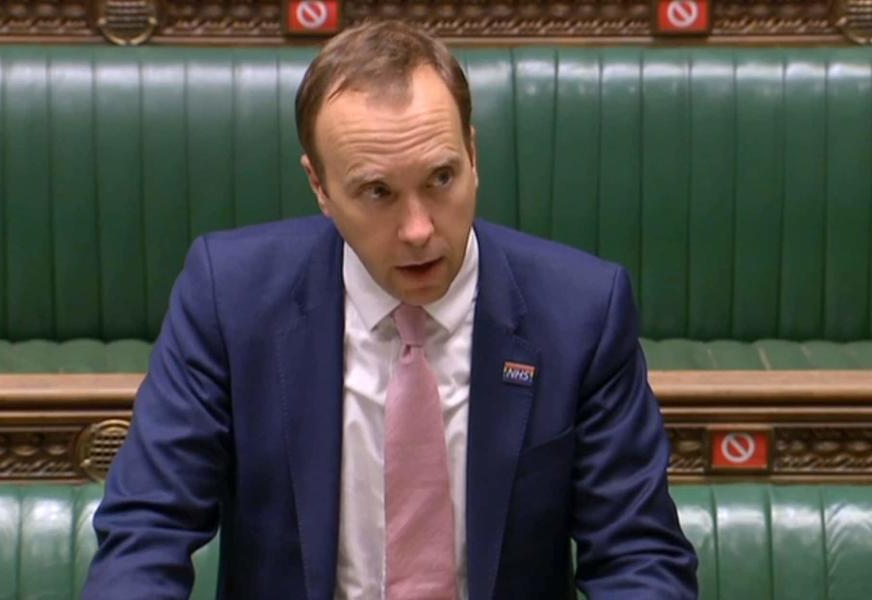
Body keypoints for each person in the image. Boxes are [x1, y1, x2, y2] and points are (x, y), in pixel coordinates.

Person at [84, 20, 698, 600]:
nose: (417, 229)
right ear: (320, 188)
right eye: (376, 191)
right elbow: (148, 529)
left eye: (440, 178)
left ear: (473, 157)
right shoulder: (230, 298)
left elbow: (637, 556)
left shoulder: (582, 313)